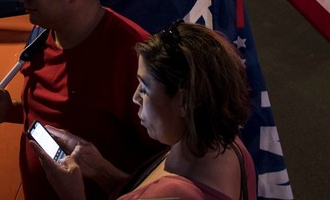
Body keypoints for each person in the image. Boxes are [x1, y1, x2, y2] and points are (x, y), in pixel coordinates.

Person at [0, 0, 161, 199]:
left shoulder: (135, 56)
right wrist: (10, 111)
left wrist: (104, 174)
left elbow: (165, 164)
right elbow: (67, 115)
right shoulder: (43, 34)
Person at [31, 21, 256, 200]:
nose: (135, 97)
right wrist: (101, 170)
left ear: (184, 101)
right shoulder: (226, 145)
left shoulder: (178, 194)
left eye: (145, 87)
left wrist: (72, 195)